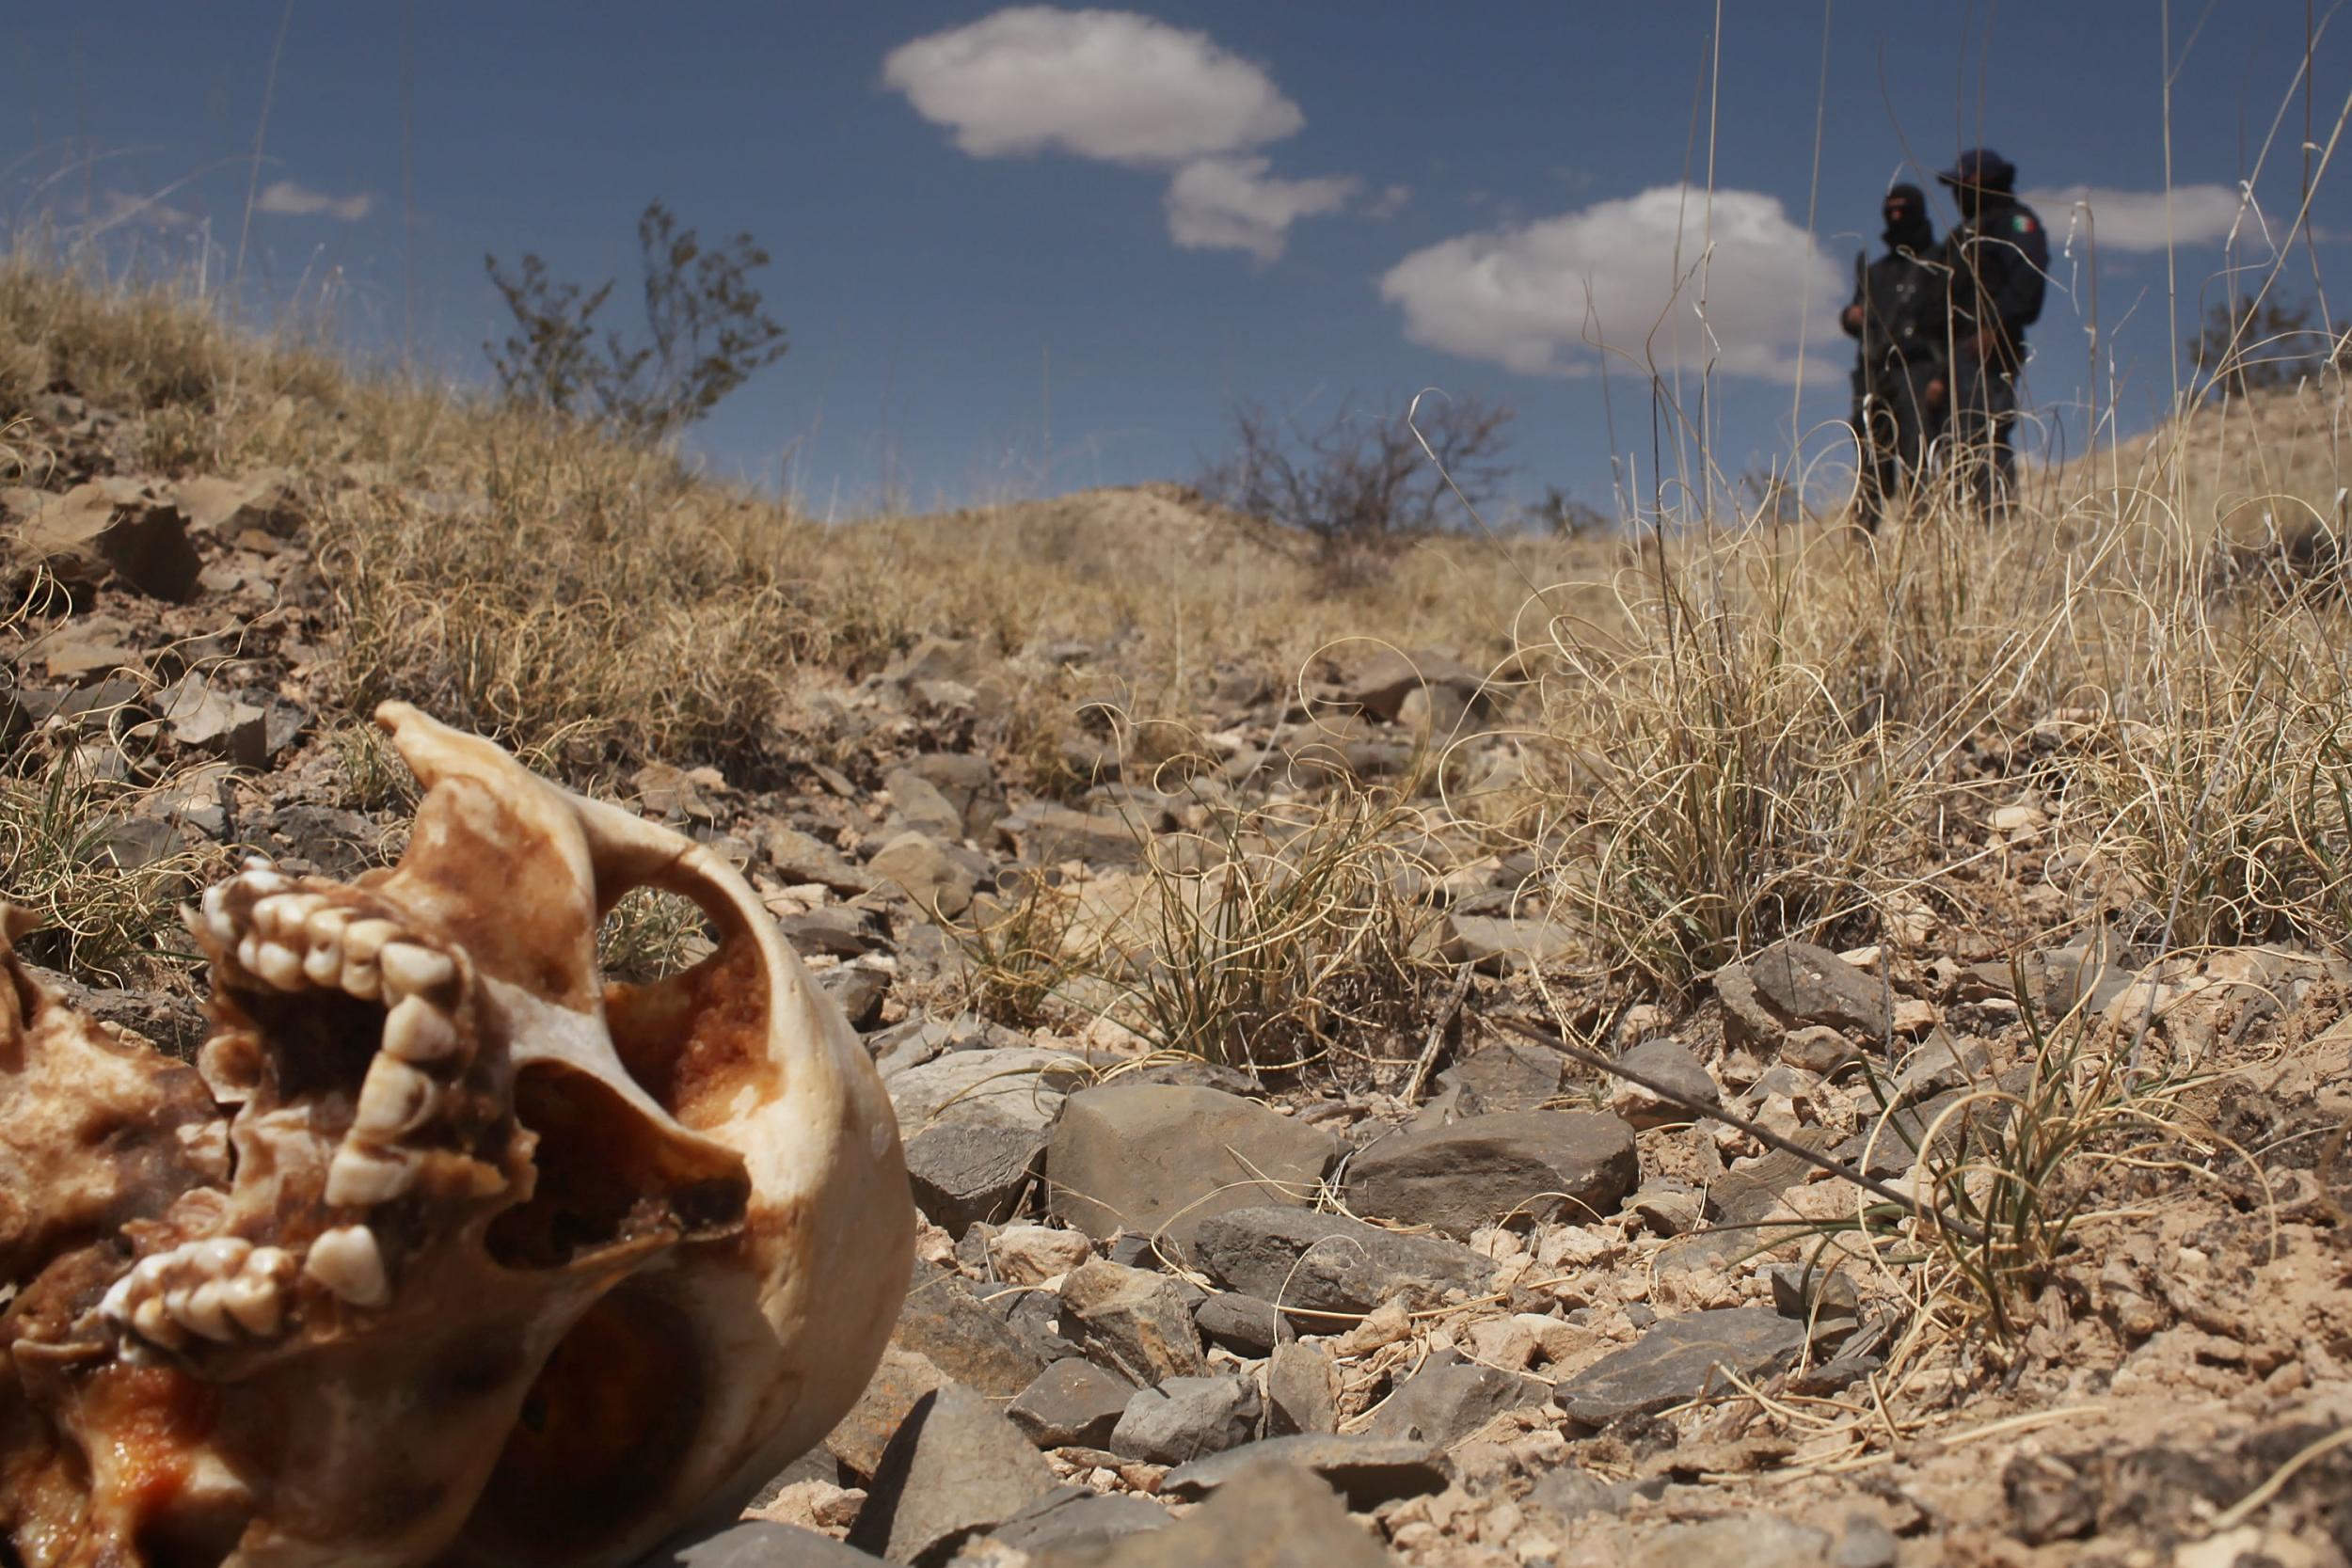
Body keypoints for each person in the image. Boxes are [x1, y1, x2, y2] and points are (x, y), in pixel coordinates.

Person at [1937, 149, 2048, 515]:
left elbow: (2027, 283)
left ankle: (1996, 526)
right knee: (1951, 444)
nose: (1956, 193)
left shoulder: (2015, 223)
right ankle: (1960, 534)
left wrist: (1995, 328)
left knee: (1984, 436)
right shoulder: (1959, 236)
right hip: (1951, 357)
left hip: (1986, 352)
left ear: (1985, 182)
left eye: (1962, 183)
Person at [1839, 183, 1947, 529]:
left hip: (1919, 369)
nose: (1896, 216)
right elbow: (1858, 318)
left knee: (1919, 456)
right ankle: (1864, 540)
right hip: (1873, 374)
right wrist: (1851, 317)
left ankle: (1921, 533)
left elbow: (1953, 325)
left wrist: (1942, 377)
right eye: (1890, 210)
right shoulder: (1876, 272)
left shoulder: (1940, 263)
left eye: (1904, 209)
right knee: (1871, 459)